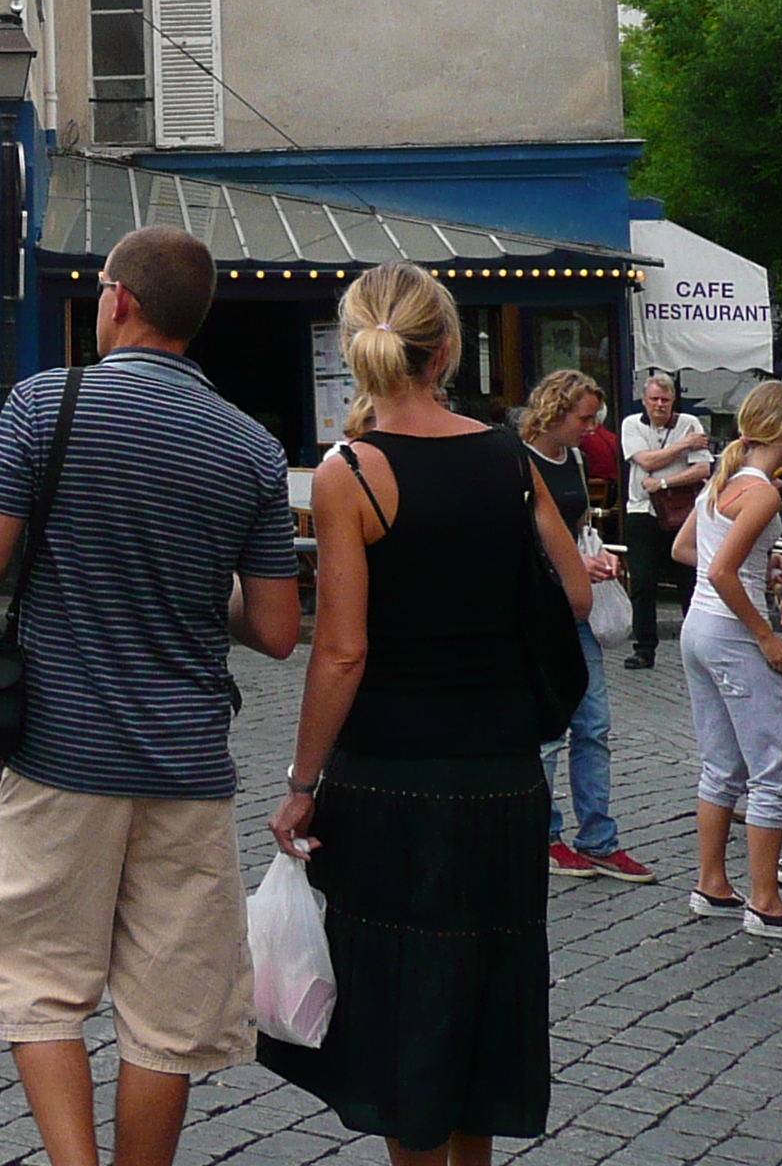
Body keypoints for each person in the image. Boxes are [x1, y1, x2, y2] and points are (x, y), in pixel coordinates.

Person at [0, 228, 300, 1166]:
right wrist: (189, 580)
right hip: (187, 762)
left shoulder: (45, 404)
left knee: (36, 980)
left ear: (119, 301)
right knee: (168, 1012)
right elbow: (275, 628)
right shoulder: (251, 447)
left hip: (58, 752)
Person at [261, 260, 585, 1163]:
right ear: (446, 349)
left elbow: (343, 647)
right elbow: (573, 595)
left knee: (407, 1018)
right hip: (501, 775)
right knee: (484, 1001)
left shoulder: (352, 473)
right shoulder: (508, 455)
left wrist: (301, 781)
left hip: (391, 778)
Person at [673, 381, 782, 939]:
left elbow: (689, 553)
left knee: (720, 764)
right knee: (774, 768)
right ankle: (766, 903)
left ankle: (713, 883)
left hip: (697, 630)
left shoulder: (721, 481)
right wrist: (766, 633)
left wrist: (752, 571)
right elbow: (722, 572)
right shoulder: (763, 491)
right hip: (729, 634)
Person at [521, 369, 648, 881]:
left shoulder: (572, 459)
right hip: (539, 608)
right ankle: (545, 834)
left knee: (593, 725)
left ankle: (598, 836)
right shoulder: (517, 459)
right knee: (550, 730)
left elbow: (574, 528)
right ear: (555, 410)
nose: (592, 428)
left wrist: (590, 558)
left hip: (578, 605)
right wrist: (572, 564)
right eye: (584, 417)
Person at [619, 369, 710, 670]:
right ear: (644, 401)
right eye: (655, 399)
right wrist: (683, 446)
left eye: (666, 400)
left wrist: (665, 483)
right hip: (642, 512)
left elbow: (702, 471)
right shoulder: (631, 425)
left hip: (680, 513)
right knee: (642, 581)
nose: (660, 405)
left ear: (673, 401)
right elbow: (644, 460)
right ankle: (644, 648)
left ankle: (694, 647)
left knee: (688, 581)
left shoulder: (690, 423)